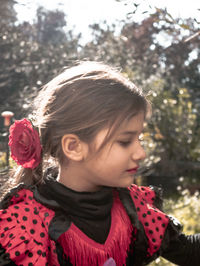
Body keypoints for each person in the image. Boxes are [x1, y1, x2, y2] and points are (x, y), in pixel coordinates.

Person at [0, 61, 199, 266]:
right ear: (74, 147)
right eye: (125, 141)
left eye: (140, 139)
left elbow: (189, 252)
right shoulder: (28, 226)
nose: (141, 153)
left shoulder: (134, 209)